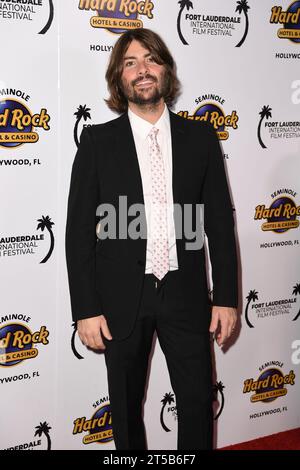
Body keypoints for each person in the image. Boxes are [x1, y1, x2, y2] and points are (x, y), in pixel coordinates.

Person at [65, 28, 238, 450]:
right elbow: (76, 233)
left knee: (197, 404)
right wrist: (86, 308)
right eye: (130, 63)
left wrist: (228, 297)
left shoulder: (201, 137)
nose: (142, 70)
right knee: (124, 411)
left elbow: (218, 221)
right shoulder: (97, 142)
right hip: (122, 296)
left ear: (165, 70)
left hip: (186, 294)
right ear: (118, 78)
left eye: (151, 60)